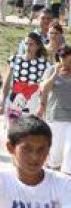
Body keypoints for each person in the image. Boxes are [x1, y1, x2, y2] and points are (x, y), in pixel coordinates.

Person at [1, 32, 51, 125]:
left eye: (31, 44)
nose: (28, 47)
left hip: (34, 101)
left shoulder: (44, 64)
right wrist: (3, 100)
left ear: (38, 46)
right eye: (26, 44)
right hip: (15, 100)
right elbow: (7, 82)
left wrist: (42, 105)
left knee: (31, 129)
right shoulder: (15, 59)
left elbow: (45, 88)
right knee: (13, 128)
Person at [38, 46, 71, 174]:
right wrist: (55, 74)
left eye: (68, 58)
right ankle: (53, 177)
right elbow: (44, 89)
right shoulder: (51, 70)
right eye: (63, 57)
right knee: (55, 156)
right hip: (55, 117)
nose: (66, 61)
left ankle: (67, 179)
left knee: (69, 151)